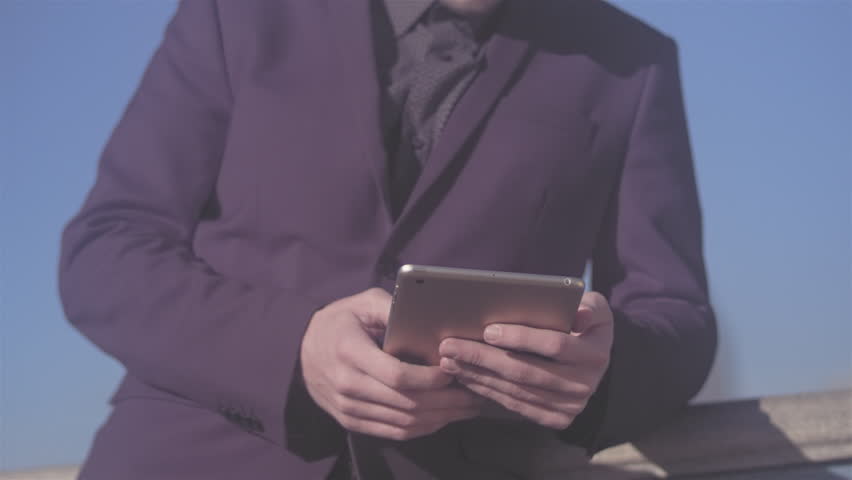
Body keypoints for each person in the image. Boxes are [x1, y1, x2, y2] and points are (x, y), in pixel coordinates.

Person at [58, 0, 717, 478]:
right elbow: (106, 251)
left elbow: (677, 315)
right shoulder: (236, 12)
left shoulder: (634, 64)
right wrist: (293, 349)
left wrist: (604, 373)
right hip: (188, 459)